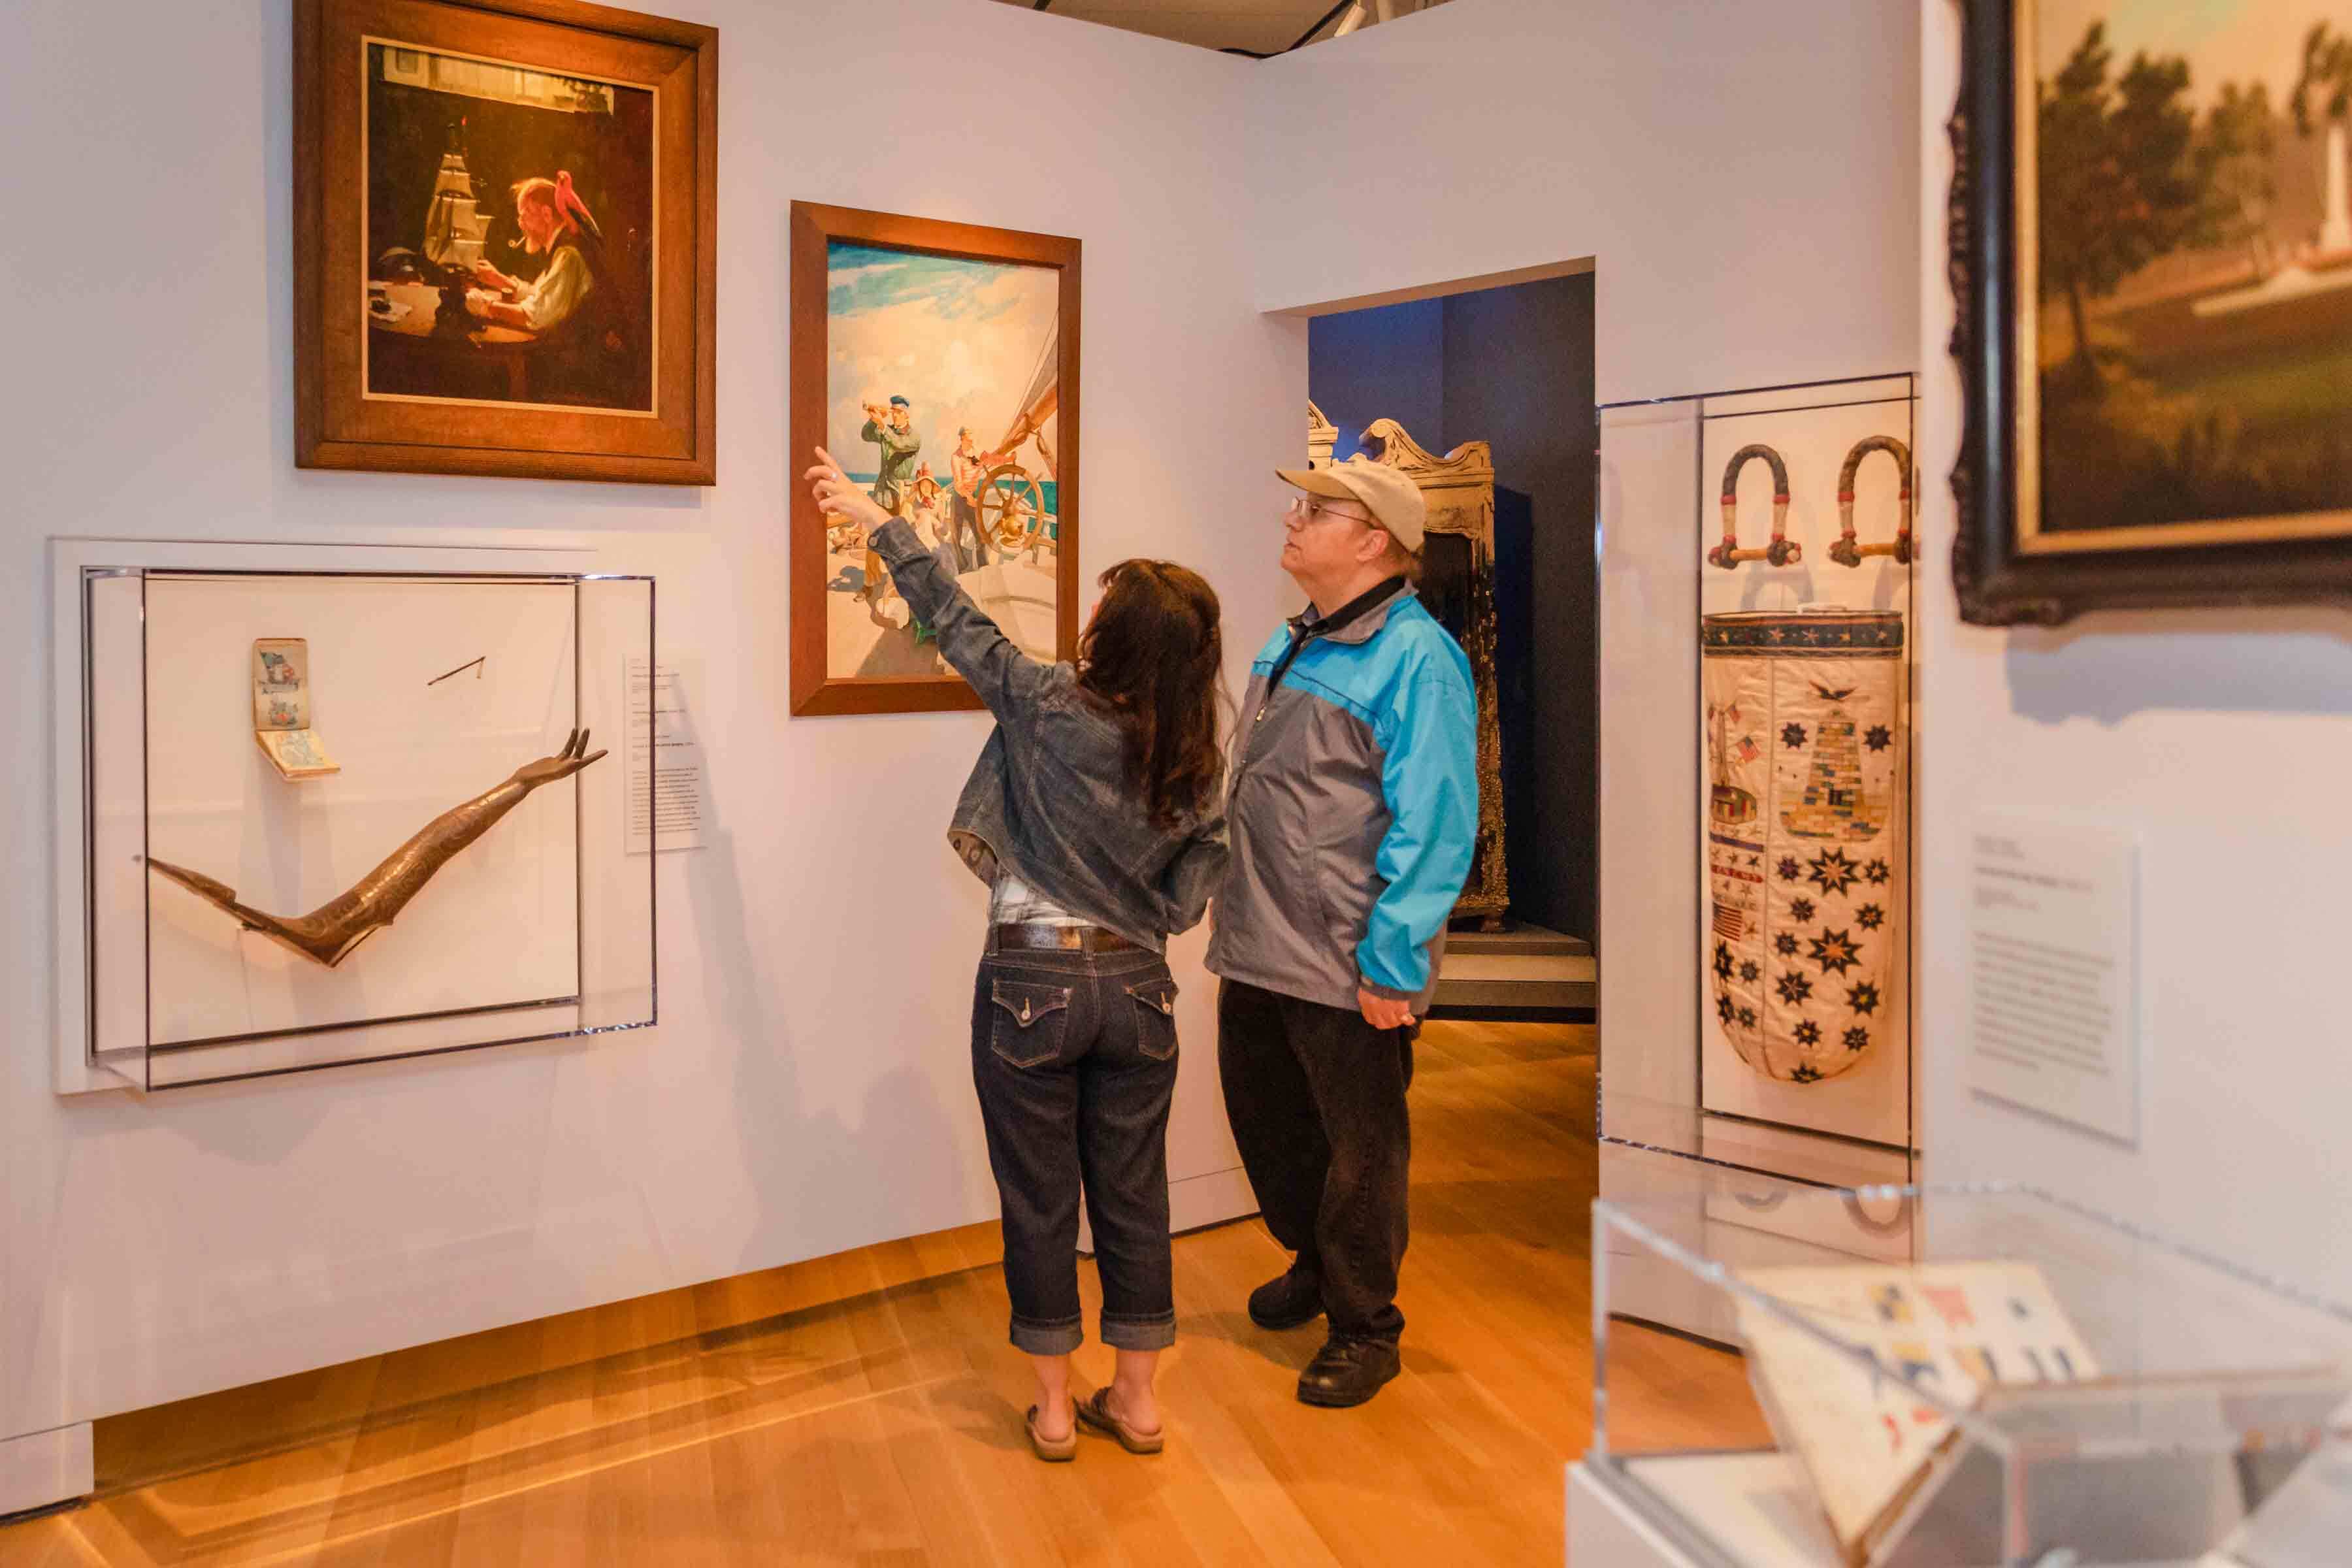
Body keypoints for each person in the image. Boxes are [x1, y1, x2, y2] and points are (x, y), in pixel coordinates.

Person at [805, 446, 1231, 1463]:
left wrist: (876, 518)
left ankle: (1052, 1409)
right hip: (1138, 988)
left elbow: (957, 620)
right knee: (1135, 1195)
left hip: (1033, 977)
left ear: (1113, 638)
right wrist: (1137, 912)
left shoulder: (1046, 704)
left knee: (1041, 1197)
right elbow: (1193, 885)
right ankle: (1136, 1403)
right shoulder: (1196, 750)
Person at [1205, 455, 1478, 1410]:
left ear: (1373, 542)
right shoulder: (1293, 641)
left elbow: (1438, 822)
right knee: (1270, 1125)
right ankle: (1317, 1267)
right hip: (1259, 942)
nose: (1291, 519)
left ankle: (1367, 1325)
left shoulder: (1419, 659)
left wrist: (1392, 962)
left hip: (1351, 960)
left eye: (1315, 511)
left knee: (1362, 1150)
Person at [465, 171, 638, 406]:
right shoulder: (564, 247)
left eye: (524, 215)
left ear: (546, 214)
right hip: (579, 360)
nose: (520, 224)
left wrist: (484, 307)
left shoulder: (568, 255)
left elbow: (536, 315)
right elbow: (542, 295)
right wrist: (500, 281)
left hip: (586, 370)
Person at [858, 397, 923, 619]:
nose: (893, 414)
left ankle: (901, 587)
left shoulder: (913, 436)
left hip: (900, 494)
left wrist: (883, 425)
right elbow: (866, 435)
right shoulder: (888, 429)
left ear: (906, 414)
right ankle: (869, 583)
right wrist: (873, 417)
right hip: (882, 492)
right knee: (873, 540)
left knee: (898, 543)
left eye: (896, 412)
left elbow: (899, 443)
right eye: (892, 411)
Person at [948, 427, 992, 572]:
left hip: (972, 497)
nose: (972, 441)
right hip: (959, 499)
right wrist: (969, 498)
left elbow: (993, 458)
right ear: (961, 439)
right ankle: (960, 568)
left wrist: (1009, 459)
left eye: (972, 439)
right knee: (956, 536)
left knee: (980, 535)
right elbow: (958, 484)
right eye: (968, 439)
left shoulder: (978, 452)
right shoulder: (956, 457)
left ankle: (983, 567)